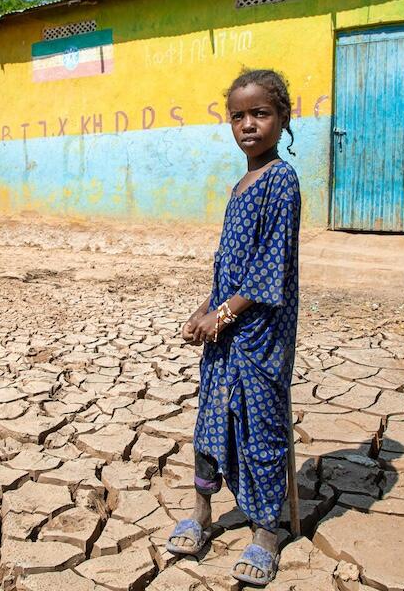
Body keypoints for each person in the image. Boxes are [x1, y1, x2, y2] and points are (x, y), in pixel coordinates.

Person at [166, 68, 301, 587]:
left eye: (260, 113)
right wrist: (204, 308)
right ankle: (201, 510)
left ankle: (267, 531)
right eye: (238, 115)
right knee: (210, 421)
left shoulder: (280, 181)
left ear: (282, 118)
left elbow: (269, 270)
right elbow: (229, 266)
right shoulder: (241, 182)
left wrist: (219, 316)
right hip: (228, 327)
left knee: (262, 429)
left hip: (261, 332)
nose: (248, 124)